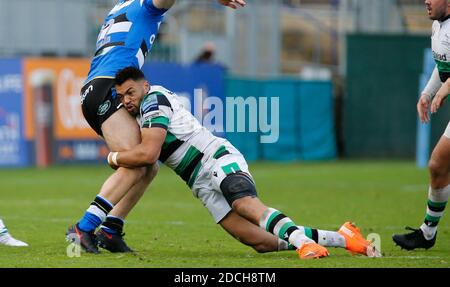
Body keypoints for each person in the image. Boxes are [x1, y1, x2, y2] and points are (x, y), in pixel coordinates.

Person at [106, 66, 381, 259]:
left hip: (214, 158)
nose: (127, 100)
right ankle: (345, 238)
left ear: (144, 85)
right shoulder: (143, 110)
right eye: (121, 97)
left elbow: (148, 154)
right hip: (198, 181)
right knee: (259, 241)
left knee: (244, 203)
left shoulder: (153, 99)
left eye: (130, 92)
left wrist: (113, 157)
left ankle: (304, 244)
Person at [66, 0, 247, 254]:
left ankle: (111, 229)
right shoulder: (146, 6)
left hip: (94, 90)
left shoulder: (116, 10)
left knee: (148, 166)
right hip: (109, 88)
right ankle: (84, 227)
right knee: (138, 162)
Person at [392, 0, 450, 250]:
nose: (426, 1)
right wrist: (427, 94)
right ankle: (427, 233)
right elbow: (443, 67)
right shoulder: (438, 27)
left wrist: (444, 90)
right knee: (437, 167)